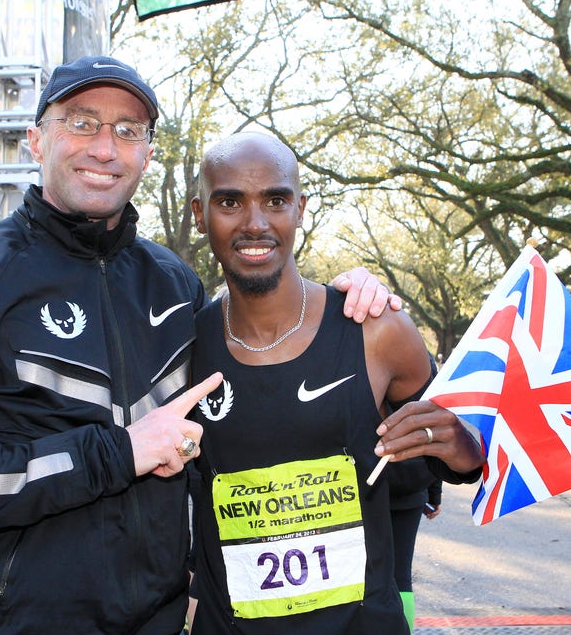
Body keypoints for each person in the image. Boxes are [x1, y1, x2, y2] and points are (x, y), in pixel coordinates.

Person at [0, 56, 398, 634]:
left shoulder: (173, 282)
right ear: (35, 139)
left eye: (128, 131)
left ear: (147, 155)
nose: (105, 148)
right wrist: (116, 454)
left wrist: (346, 302)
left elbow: (243, 426)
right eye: (82, 123)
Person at [186, 131, 484, 634]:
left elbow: (464, 456)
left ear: (300, 208)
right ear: (200, 214)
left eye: (275, 200)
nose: (255, 223)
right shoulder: (182, 345)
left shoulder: (378, 330)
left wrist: (460, 445)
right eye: (230, 202)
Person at [388, 460, 442, 633]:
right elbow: (435, 448)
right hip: (414, 487)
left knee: (367, 572)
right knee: (401, 576)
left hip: (371, 490)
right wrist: (434, 496)